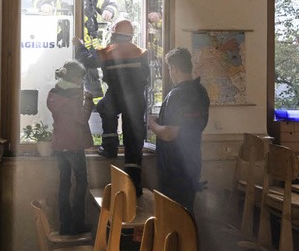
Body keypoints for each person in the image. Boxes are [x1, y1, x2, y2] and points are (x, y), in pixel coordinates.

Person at [74, 19, 149, 197]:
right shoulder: (140, 52)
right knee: (133, 141)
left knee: (105, 108)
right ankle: (134, 186)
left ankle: (109, 147)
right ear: (130, 36)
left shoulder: (108, 51)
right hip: (136, 98)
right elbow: (146, 75)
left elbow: (87, 61)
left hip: (116, 94)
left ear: (114, 34)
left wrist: (79, 46)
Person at [33, 0, 118, 97]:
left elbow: (108, 4)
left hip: (87, 49)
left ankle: (93, 111)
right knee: (63, 78)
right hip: (63, 45)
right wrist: (43, 5)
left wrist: (109, 10)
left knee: (92, 85)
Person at [148, 47, 210, 212]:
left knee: (173, 217)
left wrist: (152, 124)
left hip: (174, 167)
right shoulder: (201, 92)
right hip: (193, 162)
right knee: (186, 213)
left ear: (173, 68)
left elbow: (169, 134)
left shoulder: (176, 95)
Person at [46, 60, 94, 235]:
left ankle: (64, 225)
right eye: (81, 77)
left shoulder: (53, 93)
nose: (82, 81)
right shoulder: (74, 96)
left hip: (59, 144)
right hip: (74, 144)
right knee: (81, 184)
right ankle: (77, 224)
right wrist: (89, 101)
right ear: (75, 77)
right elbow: (81, 119)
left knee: (64, 185)